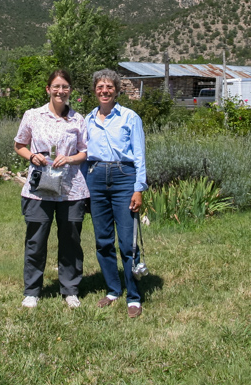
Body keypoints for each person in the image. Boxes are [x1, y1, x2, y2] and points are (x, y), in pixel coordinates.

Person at [14, 69, 89, 308]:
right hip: (39, 190)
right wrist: (32, 155)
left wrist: (68, 159)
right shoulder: (33, 115)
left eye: (65, 87)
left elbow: (84, 152)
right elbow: (19, 144)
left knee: (70, 241)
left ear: (70, 91)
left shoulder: (78, 119)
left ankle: (70, 290)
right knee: (36, 241)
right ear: (48, 89)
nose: (60, 91)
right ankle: (32, 291)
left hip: (71, 190)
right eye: (56, 87)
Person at [85, 68, 147, 318]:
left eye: (109, 86)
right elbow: (82, 154)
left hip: (124, 177)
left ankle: (133, 296)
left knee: (127, 242)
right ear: (94, 91)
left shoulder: (130, 117)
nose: (104, 91)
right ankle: (113, 289)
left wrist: (138, 188)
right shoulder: (87, 119)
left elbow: (140, 155)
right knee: (102, 240)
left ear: (117, 90)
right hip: (96, 177)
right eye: (100, 87)